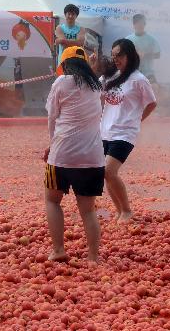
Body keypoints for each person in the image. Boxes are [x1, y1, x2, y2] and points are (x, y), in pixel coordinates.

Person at [43, 46, 104, 264]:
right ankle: (93, 257)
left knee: (52, 200)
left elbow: (52, 117)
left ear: (65, 65)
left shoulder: (61, 82)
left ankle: (59, 249)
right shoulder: (97, 86)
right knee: (88, 211)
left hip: (63, 155)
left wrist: (52, 144)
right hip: (92, 157)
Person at [99, 39, 157, 223]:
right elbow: (95, 89)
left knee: (109, 171)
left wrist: (137, 120)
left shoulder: (139, 79)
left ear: (130, 56)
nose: (116, 59)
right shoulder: (110, 76)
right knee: (105, 174)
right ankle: (119, 211)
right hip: (105, 130)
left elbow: (152, 103)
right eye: (114, 55)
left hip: (124, 133)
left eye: (120, 55)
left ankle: (127, 211)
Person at [126, 14, 161, 83]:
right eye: (137, 23)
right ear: (134, 24)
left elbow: (158, 55)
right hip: (132, 73)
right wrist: (134, 54)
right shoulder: (127, 39)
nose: (140, 25)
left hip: (148, 74)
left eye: (142, 23)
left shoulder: (152, 39)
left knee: (155, 91)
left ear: (145, 24)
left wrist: (145, 55)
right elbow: (124, 56)